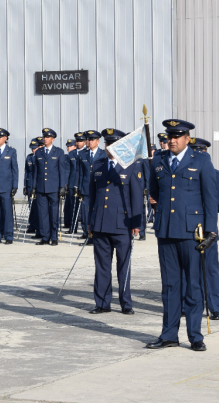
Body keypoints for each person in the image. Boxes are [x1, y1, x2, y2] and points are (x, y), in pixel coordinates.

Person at [146, 119, 218, 352]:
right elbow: (155, 193)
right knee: (170, 285)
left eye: (177, 136)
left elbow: (210, 198)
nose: (172, 140)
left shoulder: (201, 160)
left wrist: (211, 231)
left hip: (192, 233)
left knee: (193, 286)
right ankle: (169, 334)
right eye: (170, 136)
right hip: (166, 230)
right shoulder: (158, 161)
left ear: (187, 139)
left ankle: (195, 335)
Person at [87, 129, 143, 314]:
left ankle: (126, 304)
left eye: (113, 144)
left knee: (123, 266)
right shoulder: (98, 165)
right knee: (102, 266)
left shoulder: (131, 166)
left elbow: (136, 197)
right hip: (101, 224)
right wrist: (90, 221)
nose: (109, 147)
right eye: (107, 144)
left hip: (123, 223)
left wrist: (137, 224)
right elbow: (93, 197)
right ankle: (102, 303)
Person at [186, 137, 219, 320]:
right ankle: (189, 304)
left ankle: (214, 307)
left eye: (199, 150)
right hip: (188, 226)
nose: (196, 153)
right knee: (189, 269)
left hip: (207, 226)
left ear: (205, 152)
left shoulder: (215, 174)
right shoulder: (185, 171)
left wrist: (203, 212)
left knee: (209, 269)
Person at [32, 128, 68, 246]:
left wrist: (62, 186)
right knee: (43, 214)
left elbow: (62, 171)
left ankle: (54, 237)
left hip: (54, 188)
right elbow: (36, 171)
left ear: (53, 139)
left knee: (53, 213)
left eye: (48, 137)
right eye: (44, 137)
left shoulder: (59, 152)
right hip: (41, 187)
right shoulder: (39, 152)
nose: (45, 139)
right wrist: (33, 186)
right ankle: (45, 237)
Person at [77, 130, 106, 242]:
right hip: (85, 188)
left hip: (98, 188)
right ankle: (87, 235)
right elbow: (79, 173)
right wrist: (78, 187)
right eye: (88, 139)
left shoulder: (103, 154)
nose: (89, 142)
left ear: (98, 141)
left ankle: (97, 235)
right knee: (85, 213)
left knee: (97, 212)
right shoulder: (82, 154)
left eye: (92, 139)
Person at [24, 137, 43, 237]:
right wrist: (25, 185)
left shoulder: (41, 157)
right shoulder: (29, 157)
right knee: (31, 207)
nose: (33, 150)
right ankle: (32, 225)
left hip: (38, 186)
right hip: (30, 185)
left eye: (35, 148)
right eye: (32, 148)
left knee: (38, 208)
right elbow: (27, 172)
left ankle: (39, 228)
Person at [63, 138, 78, 233]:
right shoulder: (68, 156)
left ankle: (74, 226)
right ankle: (68, 223)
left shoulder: (78, 154)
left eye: (70, 146)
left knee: (74, 206)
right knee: (68, 205)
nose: (68, 148)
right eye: (67, 146)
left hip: (75, 183)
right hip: (69, 183)